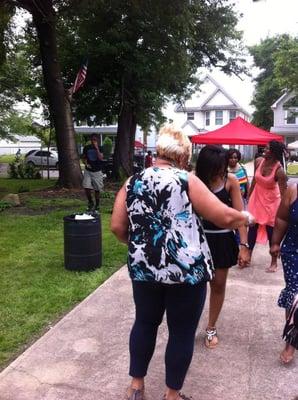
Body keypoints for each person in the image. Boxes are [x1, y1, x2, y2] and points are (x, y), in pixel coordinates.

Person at [111, 126, 253, 400]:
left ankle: (136, 387)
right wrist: (246, 218)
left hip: (145, 270)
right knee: (181, 332)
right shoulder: (185, 179)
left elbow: (117, 227)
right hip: (186, 273)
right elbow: (222, 216)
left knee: (144, 323)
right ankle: (172, 395)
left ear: (158, 152)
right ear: (182, 156)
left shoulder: (133, 181)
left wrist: (141, 246)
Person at [195, 145, 251, 349]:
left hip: (222, 239)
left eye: (223, 166)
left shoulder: (231, 181)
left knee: (218, 284)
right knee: (194, 286)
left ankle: (211, 327)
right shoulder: (193, 180)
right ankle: (189, 323)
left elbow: (240, 216)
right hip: (196, 240)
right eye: (216, 167)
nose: (220, 171)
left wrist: (244, 245)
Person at [247, 140, 287, 272]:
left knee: (272, 233)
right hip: (256, 200)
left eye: (268, 148)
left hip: (271, 203)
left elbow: (284, 194)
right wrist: (249, 195)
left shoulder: (279, 171)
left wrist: (284, 212)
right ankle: (247, 256)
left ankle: (274, 262)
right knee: (252, 229)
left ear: (274, 153)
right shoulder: (258, 161)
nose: (265, 149)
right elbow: (254, 180)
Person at [270, 184, 298, 364]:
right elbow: (282, 218)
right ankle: (291, 341)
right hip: (294, 252)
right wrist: (275, 242)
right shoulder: (294, 190)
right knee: (295, 296)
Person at [81, 134, 104, 211]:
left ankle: (97, 205)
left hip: (97, 171)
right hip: (88, 170)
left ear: (97, 140)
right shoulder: (87, 148)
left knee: (97, 189)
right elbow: (83, 158)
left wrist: (97, 148)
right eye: (92, 139)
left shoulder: (100, 148)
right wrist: (86, 163)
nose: (93, 141)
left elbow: (101, 158)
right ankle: (90, 202)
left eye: (95, 139)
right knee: (86, 187)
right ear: (90, 140)